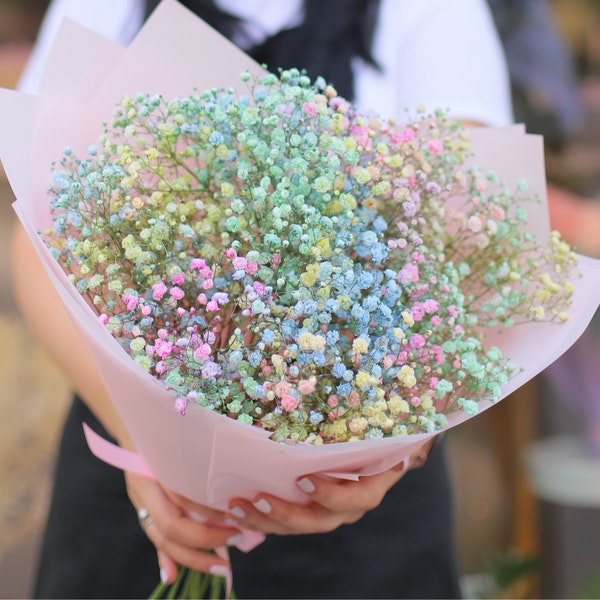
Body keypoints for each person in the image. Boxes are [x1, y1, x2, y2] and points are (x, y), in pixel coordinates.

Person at [11, 0, 513, 597]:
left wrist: (398, 449)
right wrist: (151, 447)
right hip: (137, 473)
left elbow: (464, 240)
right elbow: (37, 242)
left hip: (360, 495)